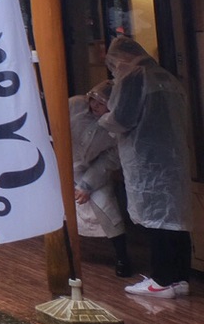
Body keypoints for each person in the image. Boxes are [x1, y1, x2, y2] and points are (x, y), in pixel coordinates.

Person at [99, 36, 193, 298]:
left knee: (156, 220)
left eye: (114, 63)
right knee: (175, 219)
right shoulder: (166, 77)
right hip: (173, 157)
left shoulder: (135, 77)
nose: (115, 68)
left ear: (123, 58)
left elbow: (122, 118)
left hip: (147, 159)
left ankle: (160, 280)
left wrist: (103, 120)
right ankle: (180, 279)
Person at [70, 81, 130, 277]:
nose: (95, 106)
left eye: (101, 103)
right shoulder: (75, 106)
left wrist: (87, 184)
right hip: (63, 166)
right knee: (59, 212)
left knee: (107, 209)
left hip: (92, 170)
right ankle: (66, 252)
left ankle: (122, 257)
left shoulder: (115, 126)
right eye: (94, 101)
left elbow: (110, 159)